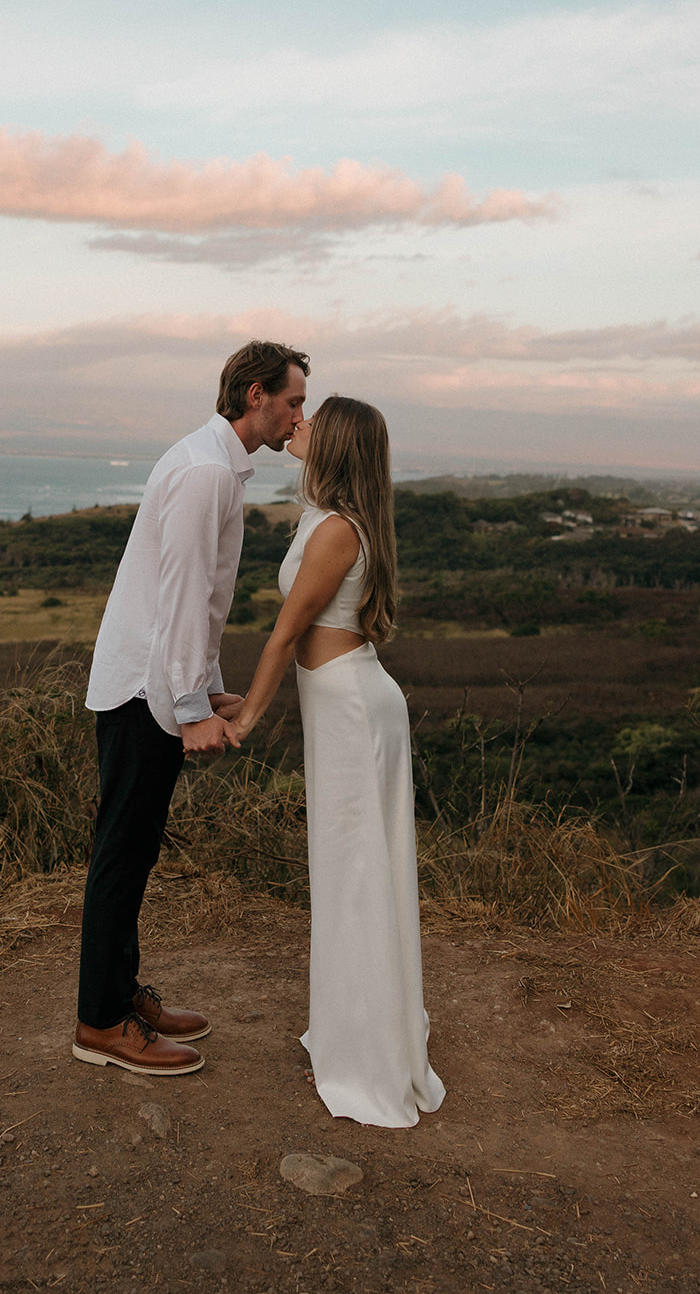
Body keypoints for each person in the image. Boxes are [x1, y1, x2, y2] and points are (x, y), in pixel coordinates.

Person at [73, 340, 310, 1076]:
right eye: (293, 401)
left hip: (154, 684)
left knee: (136, 849)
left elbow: (201, 602)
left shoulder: (212, 463)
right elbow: (179, 597)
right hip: (143, 690)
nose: (299, 416)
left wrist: (205, 687)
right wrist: (187, 706)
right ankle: (101, 1024)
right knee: (122, 852)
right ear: (254, 396)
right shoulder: (208, 472)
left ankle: (119, 995)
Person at [231, 396, 446, 1127]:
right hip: (349, 703)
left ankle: (367, 1055)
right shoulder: (329, 519)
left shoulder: (333, 531)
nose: (299, 423)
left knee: (357, 875)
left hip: (352, 712)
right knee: (356, 872)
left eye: (312, 419)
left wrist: (248, 715)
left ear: (336, 446)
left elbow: (285, 633)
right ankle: (360, 1032)